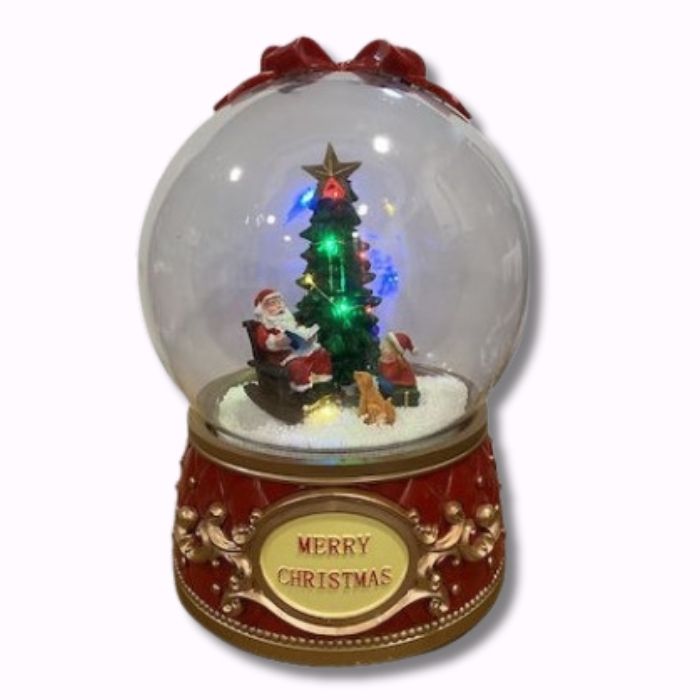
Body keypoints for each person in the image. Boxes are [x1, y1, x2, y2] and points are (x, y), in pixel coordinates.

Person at [252, 289, 333, 393]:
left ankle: (321, 381)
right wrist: (278, 341)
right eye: (272, 303)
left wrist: (310, 335)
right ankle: (303, 389)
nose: (278, 306)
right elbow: (266, 343)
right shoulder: (264, 328)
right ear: (262, 310)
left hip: (301, 350)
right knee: (298, 366)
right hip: (282, 358)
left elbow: (301, 331)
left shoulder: (290, 320)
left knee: (322, 354)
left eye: (279, 302)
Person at [377, 331, 418, 398]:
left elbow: (390, 375)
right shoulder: (384, 359)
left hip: (401, 384)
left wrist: (380, 378)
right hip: (391, 382)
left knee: (382, 383)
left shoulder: (398, 362)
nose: (381, 348)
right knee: (381, 382)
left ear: (396, 352)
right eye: (383, 346)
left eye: (386, 347)